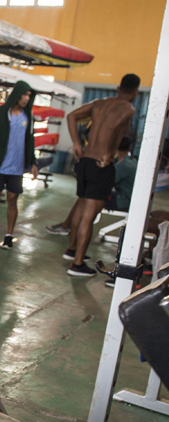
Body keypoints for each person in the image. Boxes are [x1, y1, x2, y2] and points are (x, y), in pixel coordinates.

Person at [62, 73, 140, 277]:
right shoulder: (128, 108)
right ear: (135, 93)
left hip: (85, 161)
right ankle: (78, 265)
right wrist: (111, 154)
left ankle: (72, 251)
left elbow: (71, 116)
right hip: (100, 165)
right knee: (90, 214)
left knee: (82, 204)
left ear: (117, 88)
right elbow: (117, 132)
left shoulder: (99, 103)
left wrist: (77, 143)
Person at [0, 81, 40, 252]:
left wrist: (33, 162)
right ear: (17, 94)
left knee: (13, 199)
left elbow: (30, 140)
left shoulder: (27, 117)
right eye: (24, 94)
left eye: (29, 95)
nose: (26, 98)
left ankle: (9, 236)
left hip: (17, 168)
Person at [108, 136, 137, 212]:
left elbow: (108, 182)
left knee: (95, 196)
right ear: (130, 147)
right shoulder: (134, 161)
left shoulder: (122, 165)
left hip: (124, 201)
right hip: (134, 199)